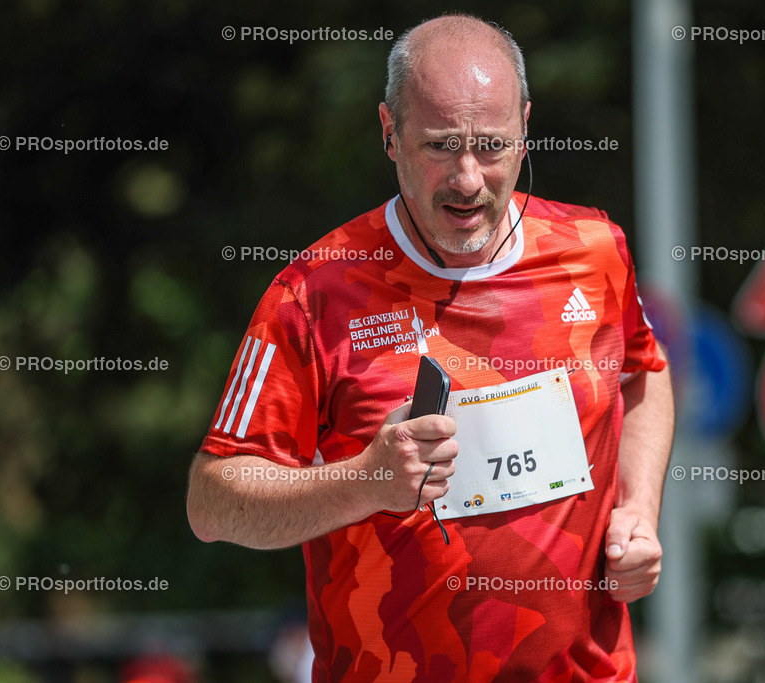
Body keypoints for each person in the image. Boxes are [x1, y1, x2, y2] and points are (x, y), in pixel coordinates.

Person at [187, 13, 674, 681]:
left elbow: (645, 374)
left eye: (493, 145)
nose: (469, 179)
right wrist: (365, 481)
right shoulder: (312, 293)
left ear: (526, 125)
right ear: (389, 133)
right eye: (441, 146)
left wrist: (639, 513)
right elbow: (213, 501)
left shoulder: (595, 252)